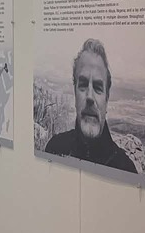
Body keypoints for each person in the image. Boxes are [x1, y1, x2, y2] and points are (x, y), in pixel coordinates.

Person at [44, 39, 137, 173]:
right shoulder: (55, 149)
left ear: (107, 97)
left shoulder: (126, 169)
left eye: (98, 87)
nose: (89, 97)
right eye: (82, 85)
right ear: (75, 92)